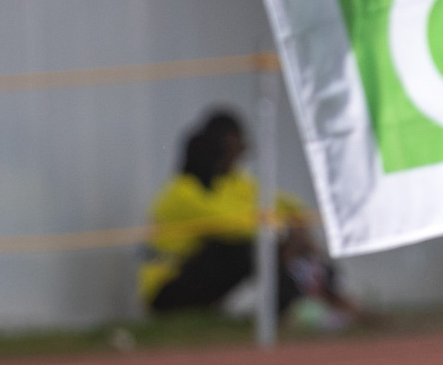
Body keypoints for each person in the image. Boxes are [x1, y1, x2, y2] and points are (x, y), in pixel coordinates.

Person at [138, 110, 359, 326]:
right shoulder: (181, 193)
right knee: (249, 248)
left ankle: (337, 301)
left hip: (201, 280)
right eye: (233, 152)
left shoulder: (233, 184)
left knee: (283, 245)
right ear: (215, 151)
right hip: (167, 290)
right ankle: (291, 309)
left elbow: (284, 203)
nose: (238, 159)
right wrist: (286, 233)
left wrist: (296, 227)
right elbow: (235, 226)